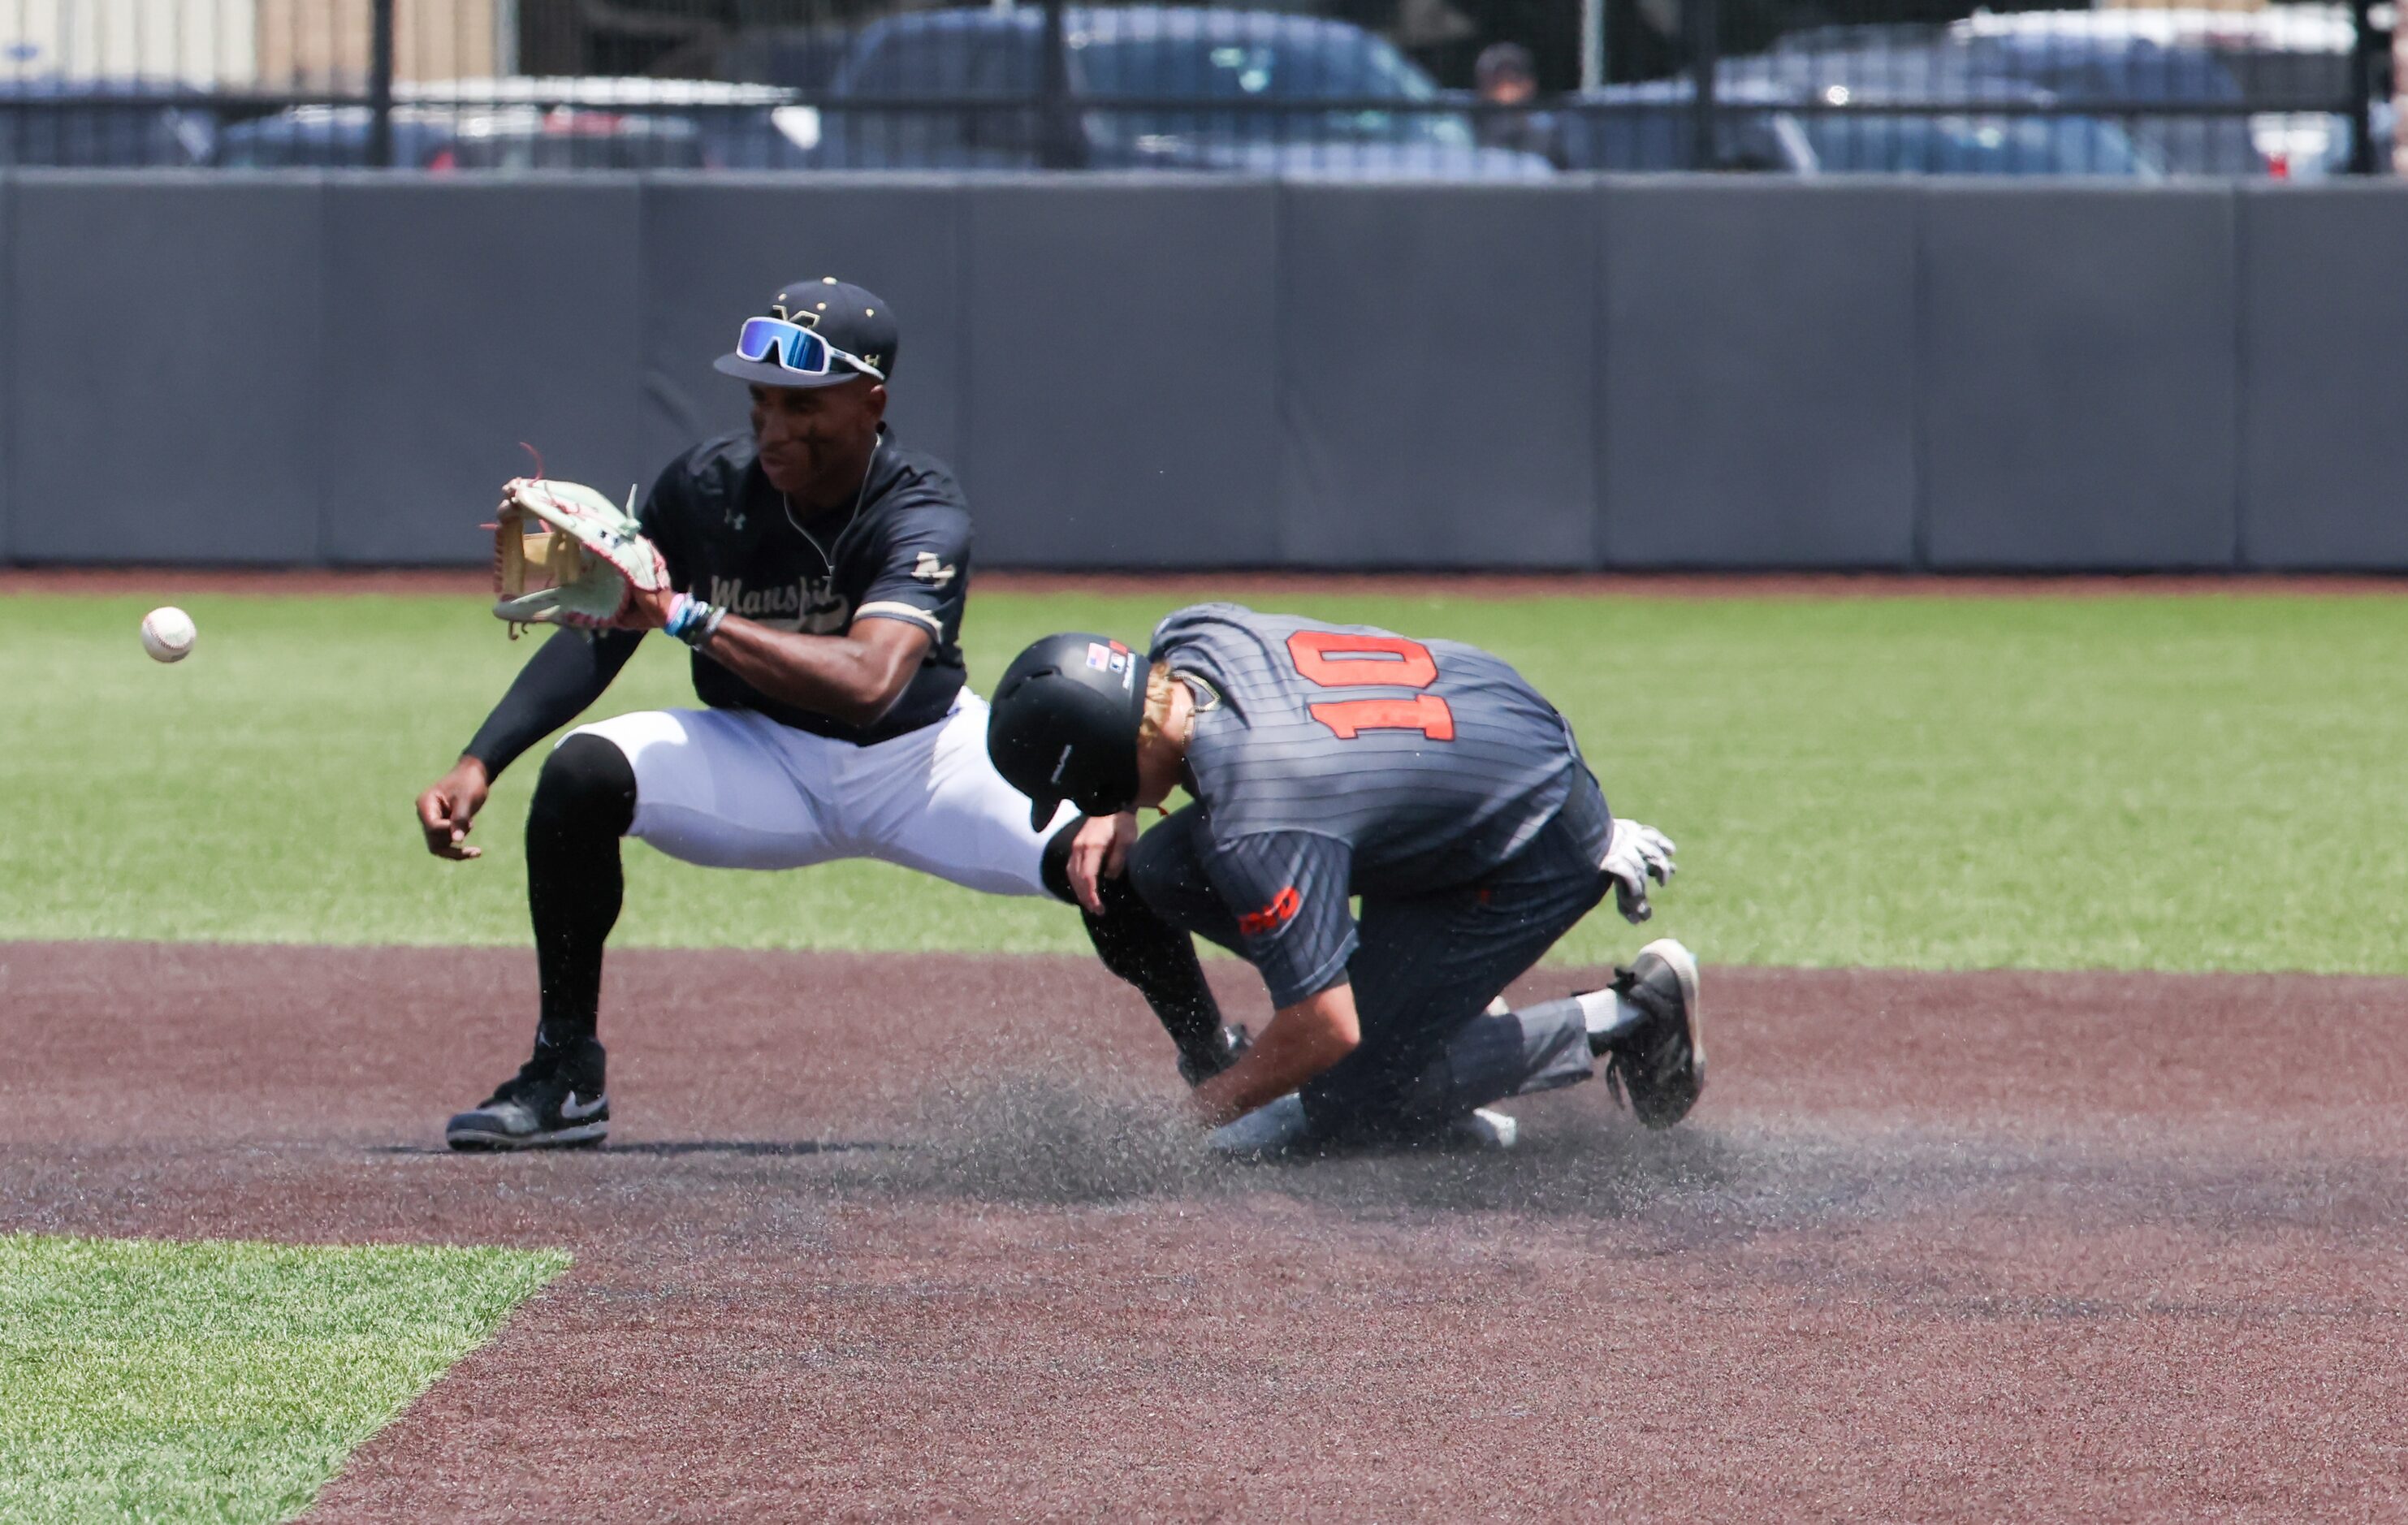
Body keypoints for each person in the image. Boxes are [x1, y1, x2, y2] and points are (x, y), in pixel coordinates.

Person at [415, 279, 1244, 1150]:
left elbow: (869, 682)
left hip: (923, 760)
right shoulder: (700, 489)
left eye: (802, 405)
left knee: (1106, 857)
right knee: (583, 774)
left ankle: (1216, 1064)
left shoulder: (920, 506)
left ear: (869, 402)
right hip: (755, 757)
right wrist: (481, 760)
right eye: (761, 402)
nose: (774, 428)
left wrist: (689, 617)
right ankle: (563, 1075)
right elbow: (608, 633)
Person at [985, 604, 1701, 1156]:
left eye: (1089, 793)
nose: (1093, 810)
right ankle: (1423, 1010)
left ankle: (1632, 1015)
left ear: (1108, 759)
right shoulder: (1194, 637)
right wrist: (1118, 801)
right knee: (1162, 869)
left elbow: (1323, 1029)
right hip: (1485, 749)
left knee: (1350, 1098)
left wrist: (1200, 1116)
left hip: (1526, 842)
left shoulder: (1260, 819)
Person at [1473, 41, 1567, 169]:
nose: (1500, 90)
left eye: (1508, 80)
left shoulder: (1549, 129)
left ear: (1529, 84)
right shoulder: (1470, 129)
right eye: (1491, 81)